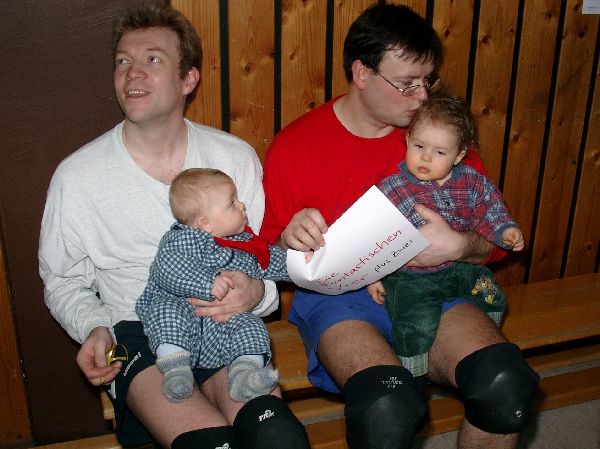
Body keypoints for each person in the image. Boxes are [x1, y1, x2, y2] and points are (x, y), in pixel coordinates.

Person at [262, 3, 538, 449]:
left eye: (428, 81)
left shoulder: (440, 138)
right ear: (362, 73)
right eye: (407, 83)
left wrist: (459, 246)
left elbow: (498, 239)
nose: (423, 97)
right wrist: (289, 239)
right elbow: (265, 255)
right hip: (340, 298)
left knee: (503, 384)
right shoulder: (294, 147)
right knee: (385, 408)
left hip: (437, 284)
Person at [39, 4, 309, 449]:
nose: (132, 73)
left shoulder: (233, 158)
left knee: (279, 437)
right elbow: (63, 280)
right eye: (123, 61)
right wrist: (93, 326)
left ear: (188, 79)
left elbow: (259, 258)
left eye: (152, 59)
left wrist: (255, 293)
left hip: (224, 320)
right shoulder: (77, 177)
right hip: (134, 329)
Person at [366, 95, 526, 380]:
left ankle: (490, 341)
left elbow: (491, 208)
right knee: (416, 324)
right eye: (419, 146)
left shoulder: (473, 182)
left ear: (459, 155)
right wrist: (373, 275)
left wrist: (505, 230)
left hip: (459, 268)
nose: (426, 157)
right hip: (410, 279)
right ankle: (412, 374)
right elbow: (373, 237)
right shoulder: (392, 190)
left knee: (491, 293)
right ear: (407, 141)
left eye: (440, 152)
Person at [136, 168, 291, 404]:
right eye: (232, 203)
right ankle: (175, 371)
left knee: (251, 326)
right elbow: (166, 268)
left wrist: (304, 265)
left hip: (221, 330)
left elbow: (275, 262)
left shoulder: (247, 245)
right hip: (184, 320)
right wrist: (206, 283)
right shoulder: (184, 239)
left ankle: (244, 377)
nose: (242, 205)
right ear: (205, 223)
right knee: (164, 312)